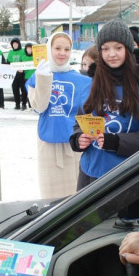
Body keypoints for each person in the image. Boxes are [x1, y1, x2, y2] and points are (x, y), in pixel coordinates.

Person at [70, 19, 139, 190]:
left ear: (128, 50)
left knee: (124, 219)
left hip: (129, 178)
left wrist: (117, 142)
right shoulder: (89, 86)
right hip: (90, 176)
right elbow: (79, 124)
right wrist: (79, 139)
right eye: (105, 48)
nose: (112, 54)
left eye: (118, 47)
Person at [26, 32, 92, 198]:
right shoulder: (38, 76)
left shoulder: (82, 80)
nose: (62, 53)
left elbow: (89, 111)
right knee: (51, 197)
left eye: (66, 49)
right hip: (48, 144)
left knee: (76, 195)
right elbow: (39, 107)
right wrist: (42, 79)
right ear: (49, 49)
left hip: (75, 144)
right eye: (57, 48)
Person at [7, 38, 27, 110]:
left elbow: (25, 60)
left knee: (23, 90)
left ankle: (24, 104)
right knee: (15, 90)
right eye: (13, 44)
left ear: (19, 44)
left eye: (16, 44)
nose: (15, 45)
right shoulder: (10, 52)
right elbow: (8, 62)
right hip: (13, 74)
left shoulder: (22, 51)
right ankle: (17, 104)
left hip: (22, 74)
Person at [21, 43, 35, 109]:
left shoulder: (35, 57)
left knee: (33, 92)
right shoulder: (23, 57)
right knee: (24, 92)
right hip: (26, 77)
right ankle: (24, 104)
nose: (29, 50)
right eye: (27, 48)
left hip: (34, 77)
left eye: (30, 48)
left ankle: (31, 105)